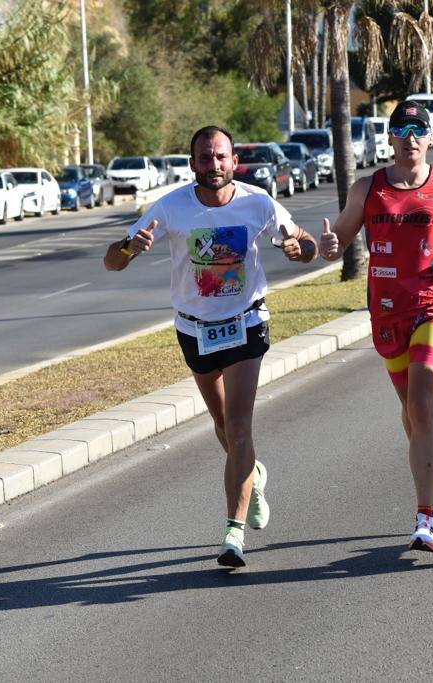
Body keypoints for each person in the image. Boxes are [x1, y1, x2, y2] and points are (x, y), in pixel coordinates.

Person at [103, 125, 319, 568]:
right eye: (205, 158)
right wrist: (130, 248)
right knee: (223, 426)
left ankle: (232, 535)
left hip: (246, 323)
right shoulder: (170, 208)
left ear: (234, 162)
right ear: (192, 164)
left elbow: (307, 245)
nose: (214, 165)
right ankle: (253, 475)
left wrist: (301, 250)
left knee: (239, 427)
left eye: (221, 157)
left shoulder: (259, 202)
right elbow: (112, 261)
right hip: (195, 329)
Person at [318, 101, 433, 553]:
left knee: (422, 399)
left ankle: (425, 519)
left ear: (430, 137)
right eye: (401, 129)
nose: (410, 137)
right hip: (386, 313)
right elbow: (337, 240)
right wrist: (325, 246)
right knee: (410, 411)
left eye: (419, 129)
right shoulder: (368, 189)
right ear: (390, 137)